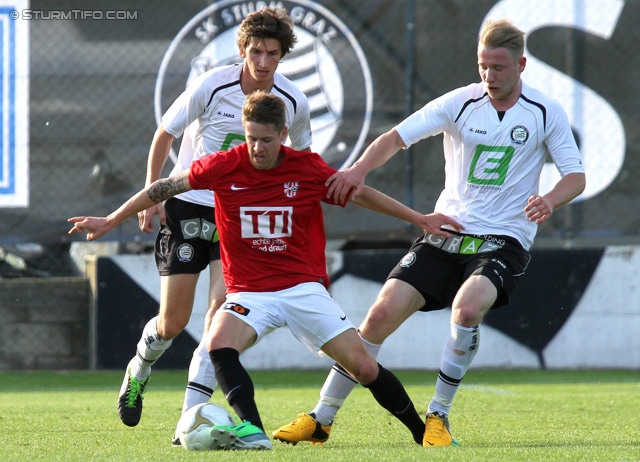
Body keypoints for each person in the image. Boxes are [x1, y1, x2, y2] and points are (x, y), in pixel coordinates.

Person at [69, 91, 463, 450]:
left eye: (266, 139)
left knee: (362, 366)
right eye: (251, 137)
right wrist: (111, 219)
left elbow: (358, 194)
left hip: (303, 289)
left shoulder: (306, 168)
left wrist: (420, 218)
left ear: (284, 134)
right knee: (218, 344)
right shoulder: (224, 166)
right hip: (249, 293)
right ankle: (254, 432)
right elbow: (163, 188)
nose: (257, 147)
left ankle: (421, 434)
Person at [272, 18, 586, 447]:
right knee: (378, 318)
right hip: (446, 231)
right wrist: (358, 170)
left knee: (467, 309)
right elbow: (395, 138)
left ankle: (438, 415)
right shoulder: (460, 102)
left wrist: (550, 199)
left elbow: (576, 176)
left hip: (504, 240)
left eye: (498, 68)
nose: (489, 77)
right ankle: (320, 419)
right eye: (482, 67)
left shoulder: (546, 111)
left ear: (521, 65)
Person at [116, 7, 313, 437]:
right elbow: (163, 135)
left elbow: (300, 161)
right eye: (256, 51)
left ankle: (188, 420)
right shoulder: (212, 85)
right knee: (173, 322)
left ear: (283, 56)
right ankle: (139, 368)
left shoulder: (294, 101)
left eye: (272, 54)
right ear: (243, 49)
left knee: (217, 318)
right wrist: (153, 196)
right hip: (188, 202)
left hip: (240, 217)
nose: (263, 62)